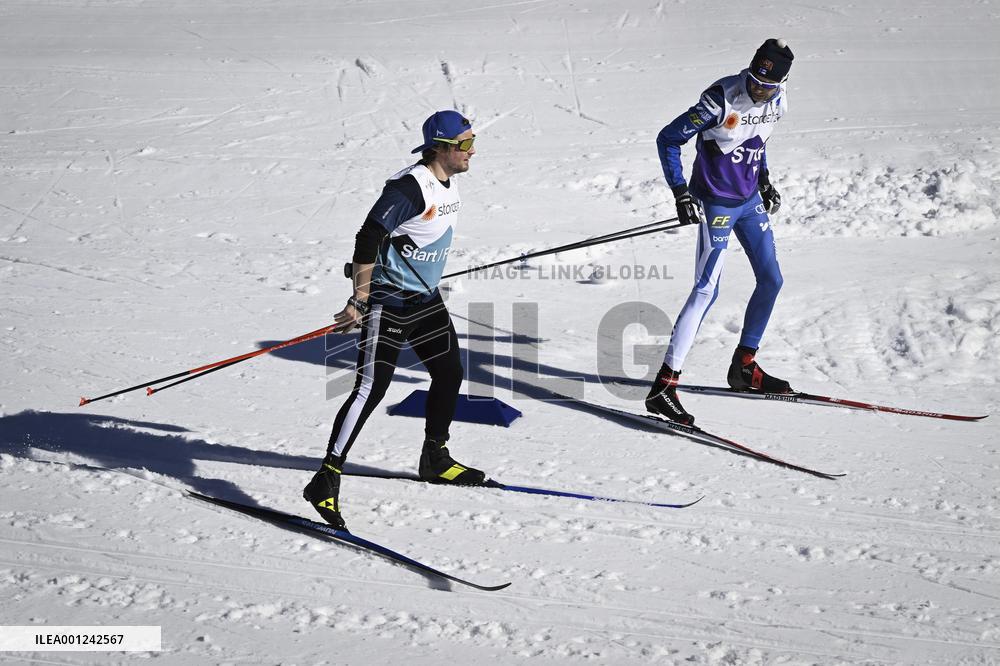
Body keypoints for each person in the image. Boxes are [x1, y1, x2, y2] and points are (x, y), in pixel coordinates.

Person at [304, 110, 486, 530]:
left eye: (473, 141)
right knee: (372, 386)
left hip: (425, 300)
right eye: (464, 144)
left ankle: (435, 458)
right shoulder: (409, 187)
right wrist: (359, 299)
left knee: (449, 372)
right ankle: (327, 477)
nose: (472, 150)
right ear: (440, 147)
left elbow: (415, 239)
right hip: (388, 302)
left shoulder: (449, 182)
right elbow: (368, 236)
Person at [645, 39, 795, 426]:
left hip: (748, 200)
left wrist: (764, 181)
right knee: (707, 289)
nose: (759, 90)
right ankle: (664, 386)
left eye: (768, 86)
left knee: (772, 279)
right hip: (718, 203)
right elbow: (669, 138)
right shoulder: (719, 100)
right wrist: (681, 191)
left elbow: (756, 141)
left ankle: (744, 367)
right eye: (755, 81)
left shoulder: (777, 99)